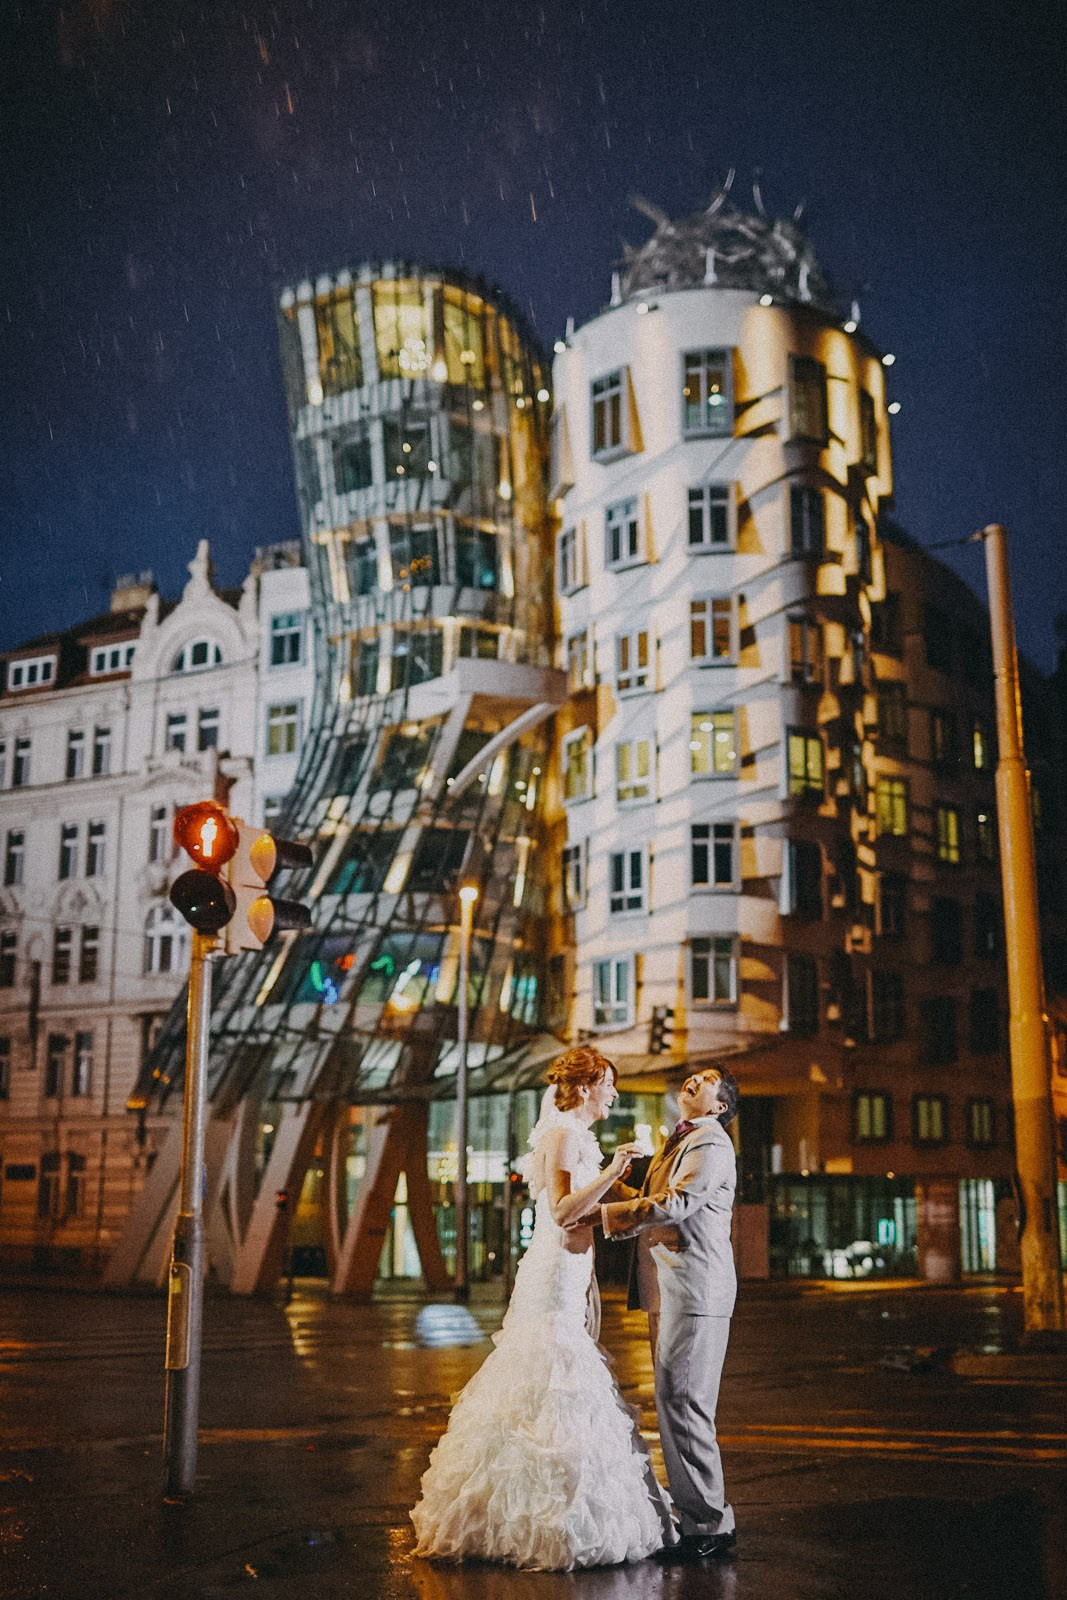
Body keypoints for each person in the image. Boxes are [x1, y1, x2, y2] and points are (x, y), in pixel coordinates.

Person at [410, 1045, 675, 1571]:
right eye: (608, 1085)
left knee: (560, 1373)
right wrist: (615, 1170)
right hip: (554, 1269)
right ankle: (545, 1519)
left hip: (571, 1270)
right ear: (583, 1087)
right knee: (552, 1374)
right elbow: (560, 1211)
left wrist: (636, 1196)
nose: (614, 1094)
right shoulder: (563, 1136)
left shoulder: (578, 1138)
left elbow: (596, 1207)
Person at [597, 1066, 740, 1564]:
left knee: (686, 1402)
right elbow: (649, 1201)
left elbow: (675, 1203)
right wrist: (602, 1184)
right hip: (671, 1290)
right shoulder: (678, 1141)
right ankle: (699, 1516)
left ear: (719, 1105)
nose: (694, 1080)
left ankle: (711, 1523)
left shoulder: (710, 1143)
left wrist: (606, 1217)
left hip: (696, 1289)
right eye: (694, 1076)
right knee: (674, 1403)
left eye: (707, 1080)